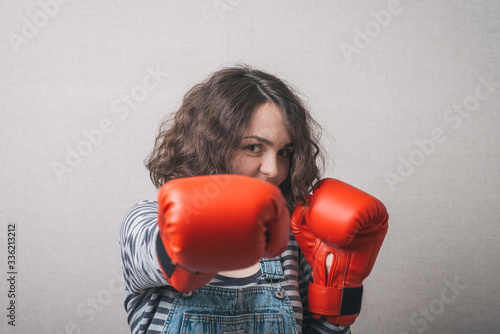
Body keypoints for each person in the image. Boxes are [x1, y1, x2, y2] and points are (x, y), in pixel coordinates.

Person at [119, 65, 388, 334]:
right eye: (253, 147)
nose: (273, 169)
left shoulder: (292, 242)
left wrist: (339, 291)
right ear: (210, 146)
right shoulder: (145, 220)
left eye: (284, 152)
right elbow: (165, 252)